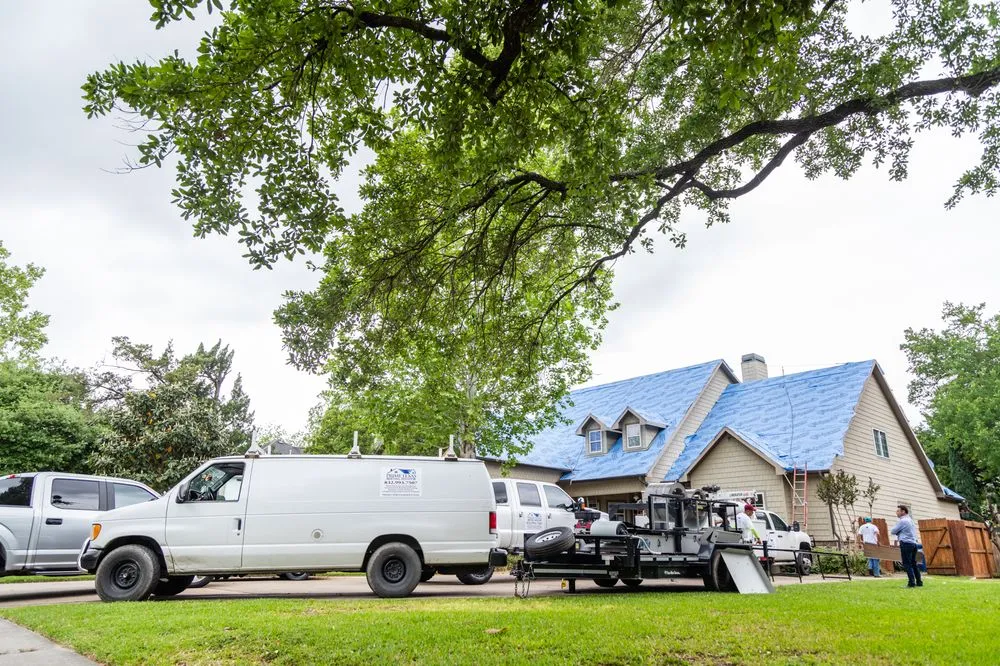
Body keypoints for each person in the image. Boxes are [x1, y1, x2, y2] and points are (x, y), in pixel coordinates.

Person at [891, 505, 922, 588]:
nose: (896, 513)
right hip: (914, 543)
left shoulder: (903, 521)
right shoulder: (910, 520)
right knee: (913, 563)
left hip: (906, 543)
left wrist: (898, 532)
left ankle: (911, 583)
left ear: (903, 512)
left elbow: (893, 531)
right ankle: (919, 582)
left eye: (898, 511)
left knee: (907, 563)